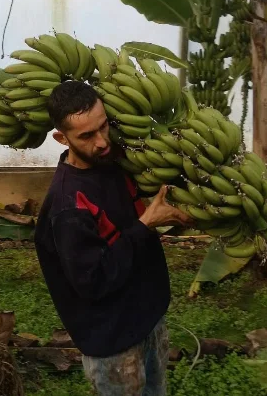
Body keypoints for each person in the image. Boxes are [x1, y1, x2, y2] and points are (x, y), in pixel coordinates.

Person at [34, 81, 192, 396]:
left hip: (147, 319)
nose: (102, 141)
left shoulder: (112, 161)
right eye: (87, 136)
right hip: (113, 340)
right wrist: (146, 223)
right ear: (61, 138)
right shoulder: (68, 207)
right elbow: (94, 281)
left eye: (103, 126)